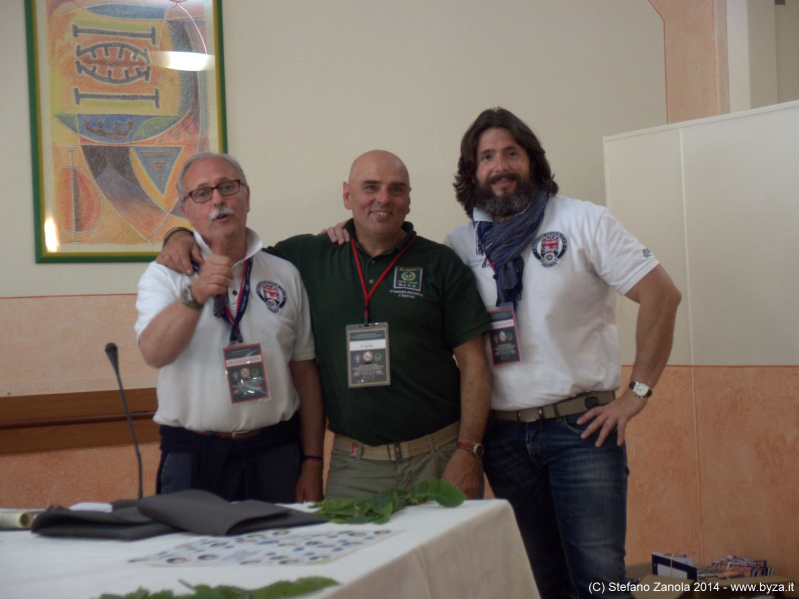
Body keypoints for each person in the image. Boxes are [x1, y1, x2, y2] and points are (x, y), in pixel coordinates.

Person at [157, 150, 492, 499]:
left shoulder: (441, 264)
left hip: (439, 456)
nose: (383, 198)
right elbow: (239, 252)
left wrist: (468, 451)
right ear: (347, 196)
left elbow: (475, 363)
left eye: (396, 189)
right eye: (370, 187)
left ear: (408, 199)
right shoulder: (309, 256)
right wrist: (179, 236)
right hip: (355, 466)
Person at [445, 108, 682, 599]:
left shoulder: (583, 220)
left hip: (582, 433)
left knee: (600, 580)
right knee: (540, 580)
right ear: (473, 171)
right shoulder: (461, 245)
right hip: (503, 439)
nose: (500, 166)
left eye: (511, 153)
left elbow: (661, 295)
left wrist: (636, 394)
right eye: (487, 157)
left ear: (532, 160)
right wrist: (340, 237)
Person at [135, 152, 325, 503]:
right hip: (195, 456)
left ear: (247, 196)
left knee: (282, 542)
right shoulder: (164, 275)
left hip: (275, 452)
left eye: (227, 187)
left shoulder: (284, 274)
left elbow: (305, 373)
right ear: (185, 209)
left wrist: (313, 461)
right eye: (202, 193)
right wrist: (195, 295)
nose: (217, 200)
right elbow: (154, 353)